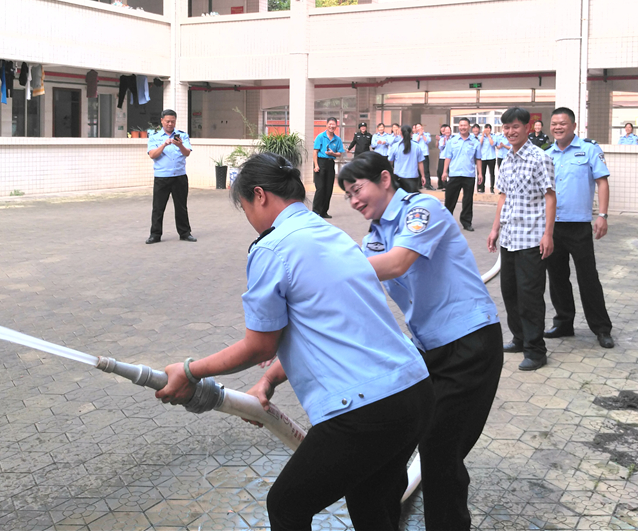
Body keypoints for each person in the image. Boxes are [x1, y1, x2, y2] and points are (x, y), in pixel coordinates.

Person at [156, 153, 434, 531]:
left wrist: (189, 370)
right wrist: (268, 380)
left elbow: (260, 345)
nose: (250, 220)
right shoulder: (332, 235)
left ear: (260, 195)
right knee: (373, 507)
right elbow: (324, 327)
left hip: (363, 411)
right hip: (413, 392)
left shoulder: (272, 247)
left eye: (245, 208)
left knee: (287, 505)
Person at [338, 152, 503, 531]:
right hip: (429, 351)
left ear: (384, 179)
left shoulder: (421, 208)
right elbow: (358, 292)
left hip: (469, 344)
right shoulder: (374, 238)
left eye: (357, 189)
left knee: (439, 451)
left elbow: (397, 264)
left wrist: (330, 269)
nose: (354, 200)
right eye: (347, 195)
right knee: (397, 433)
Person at [486, 107, 555, 371]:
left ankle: (536, 351)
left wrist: (548, 234)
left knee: (530, 296)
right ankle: (519, 338)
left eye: (515, 126)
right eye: (506, 127)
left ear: (528, 127)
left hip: (532, 239)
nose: (510, 131)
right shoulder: (507, 158)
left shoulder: (540, 158)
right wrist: (495, 229)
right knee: (510, 293)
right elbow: (502, 196)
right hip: (510, 238)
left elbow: (550, 196)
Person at [546, 107, 615, 349]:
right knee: (557, 278)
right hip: (553, 227)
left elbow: (602, 182)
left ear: (573, 126)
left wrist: (603, 215)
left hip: (579, 227)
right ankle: (564, 322)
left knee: (588, 279)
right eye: (554, 123)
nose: (557, 127)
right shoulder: (547, 154)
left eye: (562, 123)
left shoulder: (589, 149)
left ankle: (602, 328)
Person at [146, 109, 196, 244]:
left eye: (172, 121)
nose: (170, 124)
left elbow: (187, 153)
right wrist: (164, 144)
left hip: (179, 176)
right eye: (167, 121)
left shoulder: (182, 136)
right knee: (158, 207)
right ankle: (155, 235)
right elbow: (152, 155)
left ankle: (185, 233)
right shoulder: (155, 137)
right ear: (162, 121)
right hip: (162, 177)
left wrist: (179, 145)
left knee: (181, 206)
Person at [441, 118, 483, 231]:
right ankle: (446, 222)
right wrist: (445, 171)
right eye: (460, 125)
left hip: (469, 174)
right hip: (454, 174)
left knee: (468, 200)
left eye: (465, 125)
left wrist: (480, 173)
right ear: (458, 127)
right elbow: (448, 157)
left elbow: (478, 159)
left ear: (469, 127)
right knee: (450, 199)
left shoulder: (475, 142)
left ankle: (466, 222)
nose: (462, 127)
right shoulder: (452, 141)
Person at [312, 118, 344, 219]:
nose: (331, 126)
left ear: (336, 126)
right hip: (320, 163)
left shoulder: (337, 139)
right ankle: (315, 211)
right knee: (320, 188)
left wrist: (333, 153)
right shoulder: (321, 137)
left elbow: (339, 154)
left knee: (328, 189)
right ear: (326, 125)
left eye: (333, 124)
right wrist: (316, 165)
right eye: (330, 124)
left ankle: (324, 212)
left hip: (330, 164)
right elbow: (315, 152)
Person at [388, 124, 425, 193]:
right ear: (411, 133)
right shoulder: (417, 146)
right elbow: (420, 162)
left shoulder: (395, 146)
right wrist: (423, 176)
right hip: (413, 177)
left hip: (399, 177)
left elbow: (390, 161)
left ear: (400, 133)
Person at [414, 123, 434, 190]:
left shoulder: (427, 134)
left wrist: (422, 134)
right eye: (417, 127)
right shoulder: (414, 135)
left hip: (425, 154)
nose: (419, 128)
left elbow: (427, 141)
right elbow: (415, 141)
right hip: (417, 154)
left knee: (426, 170)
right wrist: (419, 135)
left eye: (419, 126)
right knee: (417, 170)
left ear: (422, 127)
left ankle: (428, 185)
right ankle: (419, 185)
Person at [478, 124, 497, 194]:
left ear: (491, 130)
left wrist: (489, 136)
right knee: (482, 173)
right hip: (483, 157)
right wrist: (483, 135)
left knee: (492, 173)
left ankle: (492, 188)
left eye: (488, 129)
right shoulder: (480, 136)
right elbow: (479, 144)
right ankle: (482, 188)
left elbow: (492, 144)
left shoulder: (494, 136)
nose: (487, 130)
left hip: (491, 157)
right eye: (486, 129)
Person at [436, 125, 451, 190]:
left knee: (449, 171)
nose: (447, 132)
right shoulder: (442, 139)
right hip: (442, 157)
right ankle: (443, 185)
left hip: (450, 157)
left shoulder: (453, 139)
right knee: (440, 171)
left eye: (448, 130)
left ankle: (449, 185)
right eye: (446, 131)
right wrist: (444, 142)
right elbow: (440, 147)